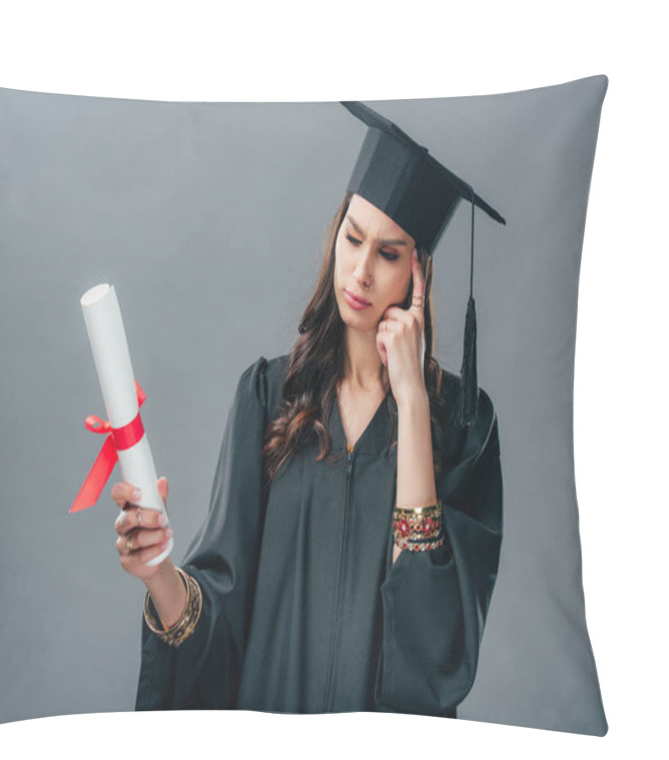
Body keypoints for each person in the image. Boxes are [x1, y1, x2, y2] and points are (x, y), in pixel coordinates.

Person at [113, 102, 505, 717]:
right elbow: (217, 614)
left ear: (417, 275)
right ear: (335, 234)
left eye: (390, 253)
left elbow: (433, 648)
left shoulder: (461, 424)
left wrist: (411, 399)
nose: (362, 271)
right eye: (353, 238)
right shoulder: (269, 396)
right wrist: (157, 571)